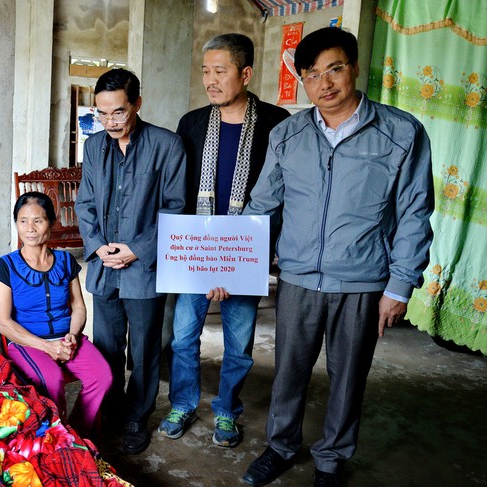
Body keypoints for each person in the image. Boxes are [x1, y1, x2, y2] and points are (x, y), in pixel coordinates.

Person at [241, 27, 434, 486]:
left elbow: (414, 212)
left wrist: (399, 286)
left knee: (348, 377)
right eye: (312, 74)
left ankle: (331, 459)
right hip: (297, 278)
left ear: (355, 68)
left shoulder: (401, 132)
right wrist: (230, 263)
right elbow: (261, 207)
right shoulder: (288, 134)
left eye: (334, 69)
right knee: (288, 371)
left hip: (363, 280)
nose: (324, 83)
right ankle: (281, 446)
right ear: (302, 81)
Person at [157, 33, 289, 448]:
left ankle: (228, 410)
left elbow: (282, 192)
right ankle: (183, 403)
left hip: (245, 253)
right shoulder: (192, 123)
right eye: (205, 71)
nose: (210, 81)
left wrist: (260, 253)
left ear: (245, 73)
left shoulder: (277, 123)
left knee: (239, 344)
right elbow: (179, 191)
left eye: (220, 71)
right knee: (182, 337)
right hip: (196, 251)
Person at [75, 68, 186, 454]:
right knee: (106, 346)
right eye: (102, 113)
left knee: (144, 349)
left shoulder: (167, 145)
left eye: (119, 112)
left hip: (145, 268)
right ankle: (110, 410)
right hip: (104, 267)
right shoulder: (94, 146)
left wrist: (137, 248)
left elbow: (176, 208)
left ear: (137, 103)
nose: (110, 122)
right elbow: (85, 203)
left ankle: (138, 416)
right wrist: (98, 247)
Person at [0, 191, 112, 437]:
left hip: (66, 339)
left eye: (38, 220)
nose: (30, 228)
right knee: (52, 381)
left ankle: (78, 435)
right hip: (28, 343)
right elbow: (3, 323)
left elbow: (78, 306)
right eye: (23, 221)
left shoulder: (65, 261)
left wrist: (72, 335)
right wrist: (46, 347)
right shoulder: (6, 266)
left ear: (52, 223)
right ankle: (55, 439)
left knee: (102, 376)